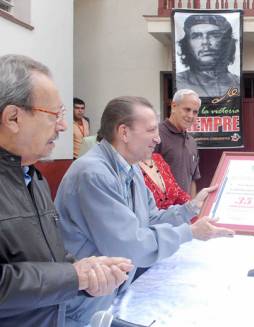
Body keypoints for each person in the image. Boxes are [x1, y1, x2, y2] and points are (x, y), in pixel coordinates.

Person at [54, 95, 234, 326]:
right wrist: (190, 233)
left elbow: (150, 219)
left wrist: (190, 208)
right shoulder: (94, 173)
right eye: (150, 131)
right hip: (82, 306)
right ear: (124, 133)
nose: (157, 138)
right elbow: (131, 244)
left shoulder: (131, 168)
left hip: (108, 294)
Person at [0, 54, 133, 327]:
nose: (62, 126)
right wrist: (75, 277)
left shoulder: (32, 176)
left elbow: (50, 259)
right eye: (55, 115)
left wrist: (90, 274)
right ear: (13, 118)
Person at [176, 14, 239, 97]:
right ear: (187, 44)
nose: (205, 42)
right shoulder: (179, 82)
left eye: (214, 35)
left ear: (226, 42)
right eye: (197, 36)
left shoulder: (237, 83)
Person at [156, 89, 201, 197]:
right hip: (161, 212)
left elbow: (192, 180)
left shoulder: (192, 143)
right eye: (187, 109)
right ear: (174, 106)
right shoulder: (155, 135)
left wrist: (192, 209)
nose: (191, 115)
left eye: (195, 112)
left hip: (185, 211)